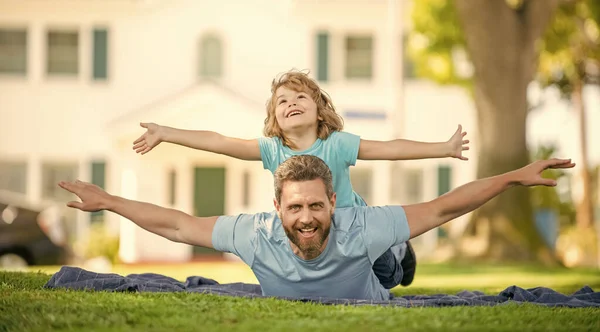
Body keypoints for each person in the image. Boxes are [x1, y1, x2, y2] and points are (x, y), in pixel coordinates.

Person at [58, 155, 574, 301]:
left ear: (333, 201)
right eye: (294, 208)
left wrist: (510, 178)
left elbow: (441, 209)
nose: (305, 218)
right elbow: (176, 225)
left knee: (390, 263)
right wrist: (108, 201)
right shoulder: (253, 232)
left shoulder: (358, 223)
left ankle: (396, 257)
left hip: (373, 264)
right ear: (276, 206)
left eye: (316, 206)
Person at [131, 70, 470, 288]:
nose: (291, 103)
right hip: (309, 232)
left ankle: (399, 249)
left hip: (355, 227)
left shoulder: (337, 143)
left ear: (319, 109)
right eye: (283, 101)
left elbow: (390, 149)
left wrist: (443, 148)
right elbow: (220, 142)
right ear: (275, 119)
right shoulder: (272, 150)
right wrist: (167, 132)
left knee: (391, 279)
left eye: (300, 97)